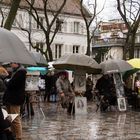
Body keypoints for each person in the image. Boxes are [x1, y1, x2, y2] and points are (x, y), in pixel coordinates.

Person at [3, 63, 27, 140]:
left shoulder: (21, 72)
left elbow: (11, 84)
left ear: (16, 63)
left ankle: (18, 137)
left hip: (15, 99)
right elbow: (9, 80)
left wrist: (7, 81)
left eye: (12, 63)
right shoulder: (15, 72)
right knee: (11, 118)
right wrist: (7, 79)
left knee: (15, 118)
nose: (10, 64)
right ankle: (13, 135)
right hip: (10, 98)